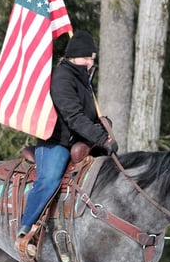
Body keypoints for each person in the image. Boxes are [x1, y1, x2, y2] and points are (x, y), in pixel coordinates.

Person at [16, 30, 118, 250]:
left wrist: (103, 126)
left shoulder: (84, 79)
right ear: (73, 57)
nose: (90, 63)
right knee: (50, 179)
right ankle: (25, 227)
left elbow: (86, 115)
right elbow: (73, 117)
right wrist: (100, 137)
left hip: (80, 140)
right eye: (86, 58)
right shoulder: (62, 78)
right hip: (57, 141)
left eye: (92, 58)